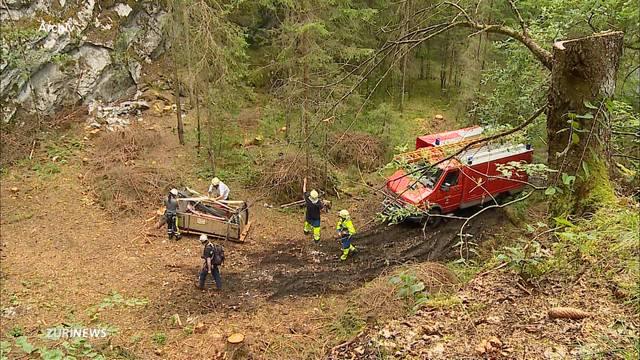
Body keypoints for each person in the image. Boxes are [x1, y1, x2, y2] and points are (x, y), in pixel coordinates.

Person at [302, 177, 323, 243]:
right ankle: (316, 239)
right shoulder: (319, 203)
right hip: (316, 218)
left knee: (307, 223)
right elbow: (322, 208)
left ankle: (306, 231)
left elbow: (304, 191)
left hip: (309, 216)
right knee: (316, 228)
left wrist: (305, 183)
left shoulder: (308, 200)